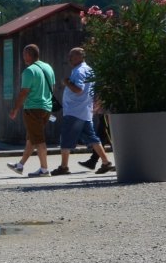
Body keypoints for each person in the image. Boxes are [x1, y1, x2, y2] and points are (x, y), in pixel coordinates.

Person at [54, 47, 115, 176]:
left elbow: (79, 89)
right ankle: (105, 162)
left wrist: (66, 82)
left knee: (66, 138)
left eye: (73, 56)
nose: (69, 58)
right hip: (84, 110)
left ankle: (64, 167)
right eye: (69, 56)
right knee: (92, 137)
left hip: (74, 111)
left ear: (81, 57)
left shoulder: (79, 71)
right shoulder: (89, 70)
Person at [7, 43, 56, 177]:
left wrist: (15, 109)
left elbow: (24, 92)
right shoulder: (48, 67)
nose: (23, 57)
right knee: (32, 138)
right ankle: (20, 165)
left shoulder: (29, 71)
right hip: (46, 107)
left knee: (39, 140)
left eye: (24, 54)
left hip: (33, 108)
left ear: (28, 55)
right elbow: (52, 87)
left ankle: (44, 170)